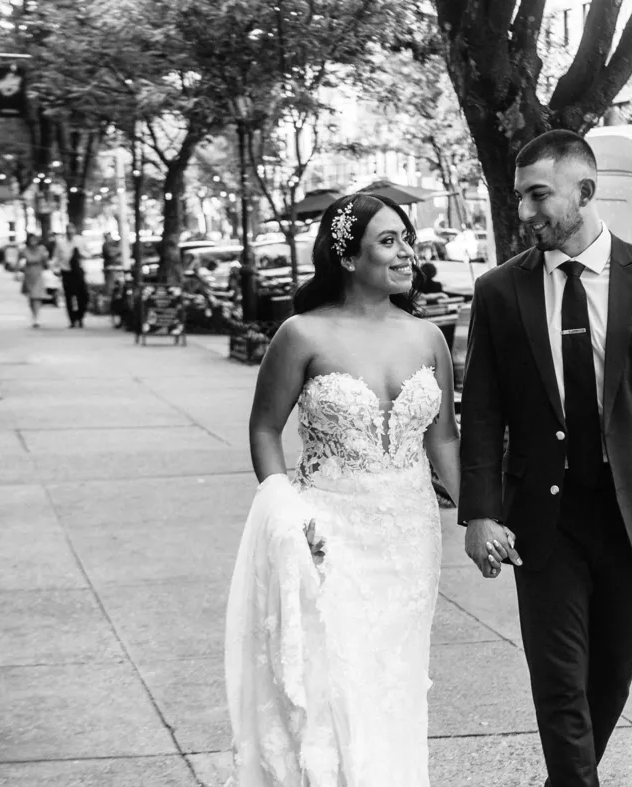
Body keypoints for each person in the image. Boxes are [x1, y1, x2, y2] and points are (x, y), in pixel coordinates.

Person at [458, 130, 632, 786]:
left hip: (628, 517)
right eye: (519, 196)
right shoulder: (500, 292)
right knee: (558, 686)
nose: (525, 212)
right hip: (542, 523)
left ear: (585, 192)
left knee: (611, 674)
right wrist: (479, 512)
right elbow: (485, 414)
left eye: (537, 196)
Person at [226, 193, 460, 786]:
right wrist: (284, 511)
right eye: (389, 241)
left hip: (409, 539)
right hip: (327, 534)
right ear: (349, 258)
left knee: (395, 680)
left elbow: (445, 443)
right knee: (336, 684)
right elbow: (263, 429)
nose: (407, 250)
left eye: (407, 238)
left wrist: (479, 515)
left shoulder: (429, 337)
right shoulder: (301, 334)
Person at [18, 234, 50, 328]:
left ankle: (36, 318)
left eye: (34, 240)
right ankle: (34, 315)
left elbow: (45, 262)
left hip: (38, 274)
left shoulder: (42, 249)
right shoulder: (24, 250)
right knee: (31, 297)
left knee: (37, 296)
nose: (33, 242)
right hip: (28, 275)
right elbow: (20, 263)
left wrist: (46, 258)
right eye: (31, 240)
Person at [63, 248, 90, 328]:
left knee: (79, 300)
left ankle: (77, 319)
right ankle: (75, 319)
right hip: (71, 278)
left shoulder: (81, 261)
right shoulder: (73, 261)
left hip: (77, 281)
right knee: (74, 300)